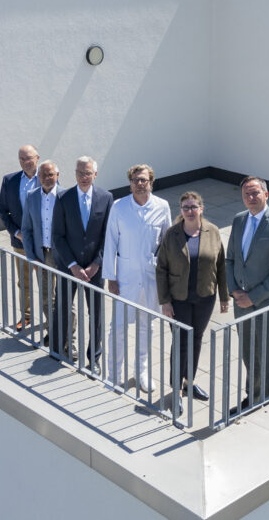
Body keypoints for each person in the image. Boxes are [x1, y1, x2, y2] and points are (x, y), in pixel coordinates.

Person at [225, 176, 269, 414]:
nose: (251, 198)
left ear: (266, 194)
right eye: (246, 194)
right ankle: (253, 394)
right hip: (241, 303)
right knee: (248, 352)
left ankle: (263, 396)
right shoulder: (239, 220)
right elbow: (230, 258)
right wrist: (234, 291)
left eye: (255, 193)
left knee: (265, 354)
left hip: (267, 304)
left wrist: (253, 297)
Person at [157, 191, 229, 407]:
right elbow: (161, 270)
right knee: (180, 342)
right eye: (185, 207)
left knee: (196, 339)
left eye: (193, 207)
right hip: (178, 299)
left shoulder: (212, 232)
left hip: (205, 297)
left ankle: (189, 382)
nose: (190, 211)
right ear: (181, 211)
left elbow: (221, 265)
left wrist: (224, 296)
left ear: (201, 208)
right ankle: (176, 390)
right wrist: (165, 301)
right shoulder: (172, 234)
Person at [104, 164, 171, 392]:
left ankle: (142, 372)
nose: (139, 184)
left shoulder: (162, 206)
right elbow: (110, 241)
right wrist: (110, 277)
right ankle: (114, 374)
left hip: (151, 279)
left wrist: (165, 278)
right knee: (119, 327)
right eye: (135, 180)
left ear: (151, 182)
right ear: (130, 183)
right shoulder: (119, 207)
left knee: (145, 326)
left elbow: (166, 243)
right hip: (125, 278)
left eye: (143, 180)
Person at [51, 156, 113, 373]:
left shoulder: (106, 198)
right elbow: (57, 236)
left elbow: (108, 235)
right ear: (74, 173)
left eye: (88, 173)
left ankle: (94, 358)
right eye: (80, 173)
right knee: (62, 308)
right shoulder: (63, 197)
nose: (84, 177)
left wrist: (97, 264)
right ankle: (57, 349)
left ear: (95, 174)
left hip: (95, 269)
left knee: (95, 314)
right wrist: (73, 265)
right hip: (70, 268)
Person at [21, 160, 73, 349]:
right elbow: (26, 229)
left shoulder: (67, 196)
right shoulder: (31, 196)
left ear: (58, 176)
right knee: (45, 298)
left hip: (62, 255)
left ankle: (69, 339)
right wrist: (30, 256)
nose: (46, 178)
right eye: (43, 175)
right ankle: (53, 332)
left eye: (50, 174)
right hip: (41, 255)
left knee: (66, 299)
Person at [0, 145, 40, 331]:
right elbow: (3, 210)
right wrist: (16, 233)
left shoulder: (47, 178)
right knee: (24, 282)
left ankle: (53, 318)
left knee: (48, 283)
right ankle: (27, 316)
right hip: (21, 242)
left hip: (44, 244)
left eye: (28, 158)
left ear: (37, 158)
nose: (25, 162)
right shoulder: (10, 181)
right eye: (21, 159)